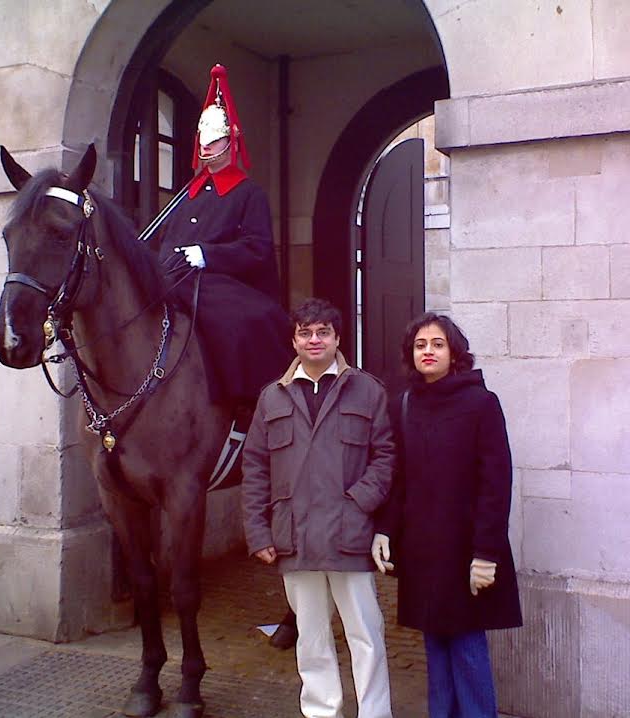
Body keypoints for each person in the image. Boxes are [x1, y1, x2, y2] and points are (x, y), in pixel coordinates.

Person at [241, 297, 395, 718]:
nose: (314, 340)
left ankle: (375, 714)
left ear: (337, 338)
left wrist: (359, 502)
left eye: (322, 332)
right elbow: (254, 466)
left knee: (365, 633)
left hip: (350, 534)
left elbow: (386, 455)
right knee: (311, 636)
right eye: (305, 332)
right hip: (296, 536)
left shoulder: (367, 389)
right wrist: (258, 531)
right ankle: (322, 712)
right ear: (293, 340)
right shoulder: (272, 398)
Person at [372, 313, 522, 718]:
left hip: (466, 552)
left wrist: (486, 554)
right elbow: (399, 477)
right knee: (435, 648)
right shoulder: (404, 404)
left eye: (437, 344)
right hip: (423, 552)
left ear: (453, 351)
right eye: (421, 345)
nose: (428, 352)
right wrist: (385, 529)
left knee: (468, 649)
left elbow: (496, 483)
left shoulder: (481, 403)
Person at [157, 64, 292, 408]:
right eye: (204, 138)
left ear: (230, 140)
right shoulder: (190, 192)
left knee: (241, 322)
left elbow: (258, 249)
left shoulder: (248, 193)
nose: (207, 144)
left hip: (220, 280)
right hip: (173, 277)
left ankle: (241, 403)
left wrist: (209, 254)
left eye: (215, 138)